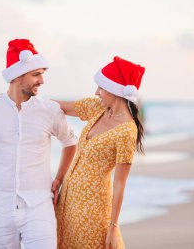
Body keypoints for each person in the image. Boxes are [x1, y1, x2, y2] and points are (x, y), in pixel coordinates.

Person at [0, 38, 77, 249]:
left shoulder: (48, 110)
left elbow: (70, 142)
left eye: (42, 74)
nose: (41, 80)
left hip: (40, 207)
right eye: (36, 74)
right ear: (16, 76)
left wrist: (59, 178)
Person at [55, 56, 145, 249]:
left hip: (93, 208)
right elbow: (57, 107)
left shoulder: (126, 131)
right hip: (68, 201)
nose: (96, 92)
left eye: (101, 88)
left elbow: (120, 183)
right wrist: (12, 101)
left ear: (116, 90)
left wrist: (113, 227)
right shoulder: (98, 108)